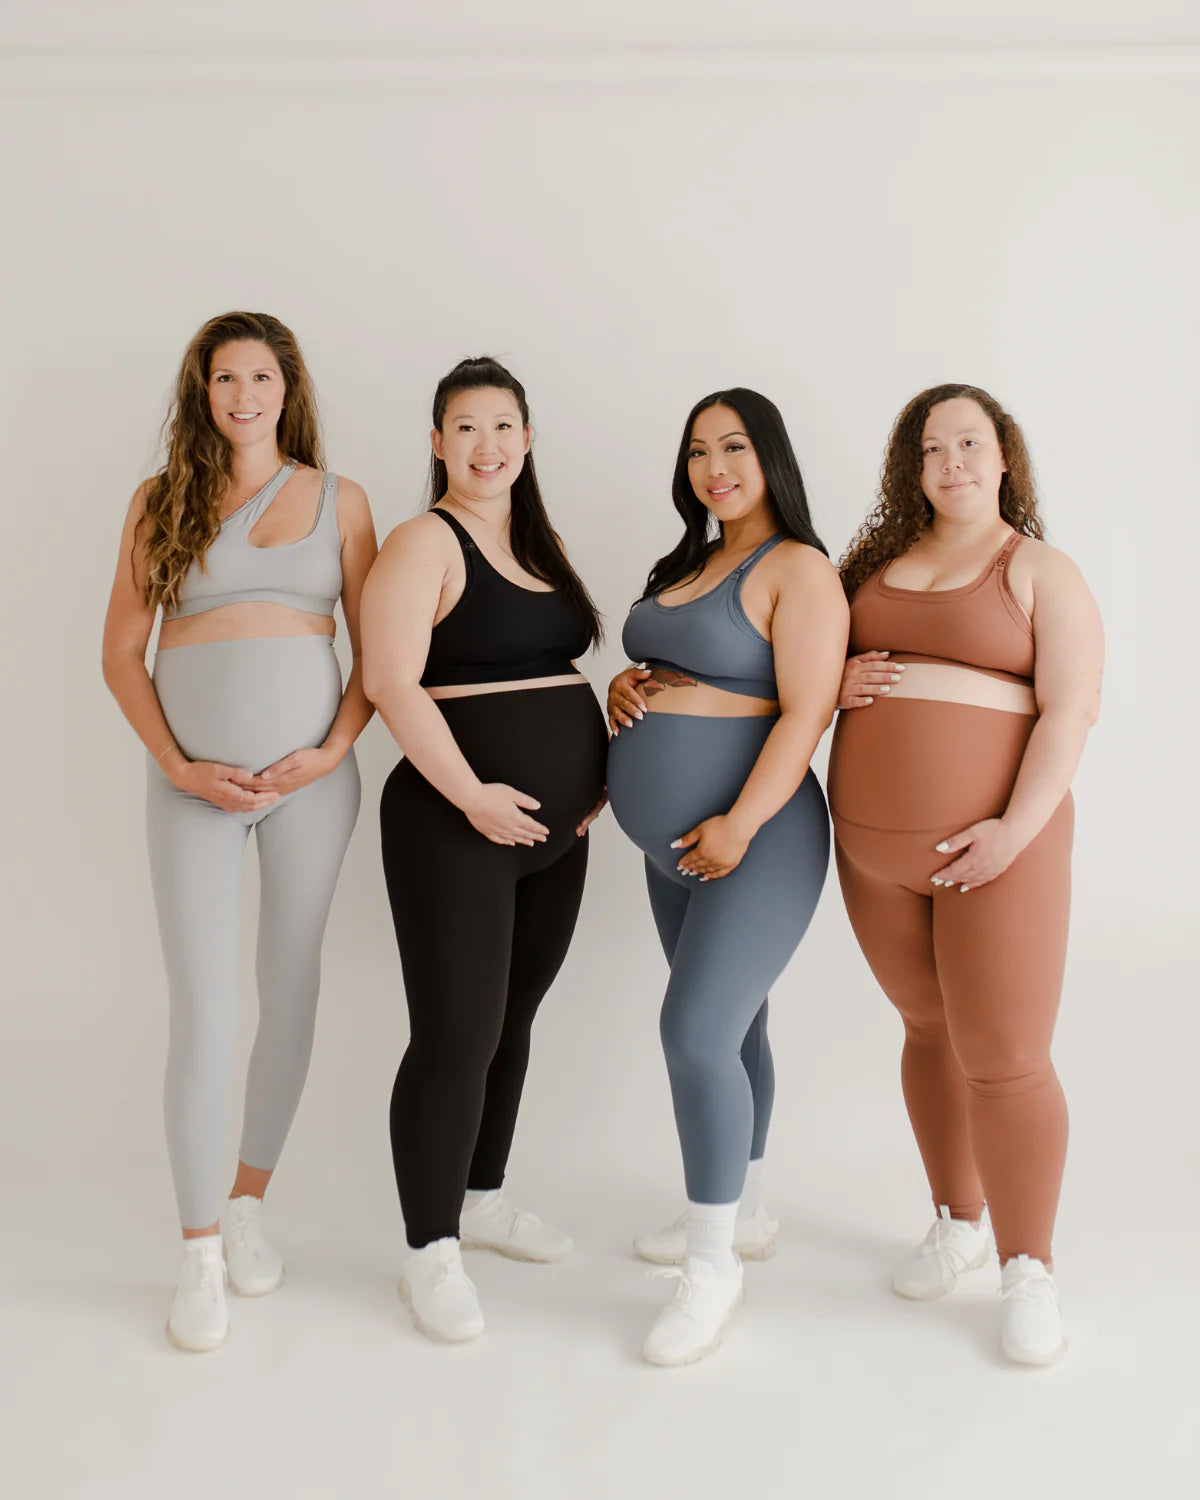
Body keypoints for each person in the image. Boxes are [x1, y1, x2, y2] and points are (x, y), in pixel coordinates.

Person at [102, 310, 378, 1351]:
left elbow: (378, 659)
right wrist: (179, 767)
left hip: (314, 784)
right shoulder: (157, 501)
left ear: (287, 386)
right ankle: (200, 1251)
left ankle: (251, 1199)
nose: (244, 395)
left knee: (290, 987)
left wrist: (327, 751)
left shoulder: (342, 501)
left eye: (261, 376)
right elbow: (122, 653)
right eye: (225, 378)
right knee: (205, 1011)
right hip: (191, 789)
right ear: (202, 392)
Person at [830, 383, 1103, 1366]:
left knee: (1006, 1058)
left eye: (969, 443)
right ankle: (958, 1222)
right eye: (931, 447)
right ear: (912, 467)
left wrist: (1012, 833)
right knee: (926, 1029)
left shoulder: (1038, 569)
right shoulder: (869, 567)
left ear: (1004, 457)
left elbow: (1068, 713)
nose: (951, 461)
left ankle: (1028, 1270)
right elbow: (790, 660)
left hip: (999, 853)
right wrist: (833, 683)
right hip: (869, 850)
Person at [361, 356, 607, 1344]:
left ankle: (483, 1196)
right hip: (453, 827)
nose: (487, 445)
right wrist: (471, 796)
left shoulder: (541, 544)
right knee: (455, 1034)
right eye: (466, 427)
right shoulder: (425, 539)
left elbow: (560, 674)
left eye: (503, 426)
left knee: (512, 1019)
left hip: (553, 835)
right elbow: (390, 681)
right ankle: (429, 1250)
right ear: (436, 442)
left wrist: (593, 779)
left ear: (528, 437)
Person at [605, 389, 846, 1366]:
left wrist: (742, 825)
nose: (716, 467)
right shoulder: (687, 564)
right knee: (736, 1029)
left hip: (761, 836)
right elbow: (673, 668)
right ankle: (739, 1208)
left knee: (693, 1032)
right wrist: (626, 684)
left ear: (770, 456)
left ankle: (713, 1268)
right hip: (674, 848)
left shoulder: (800, 569)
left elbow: (805, 711)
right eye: (699, 450)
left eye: (735, 446)